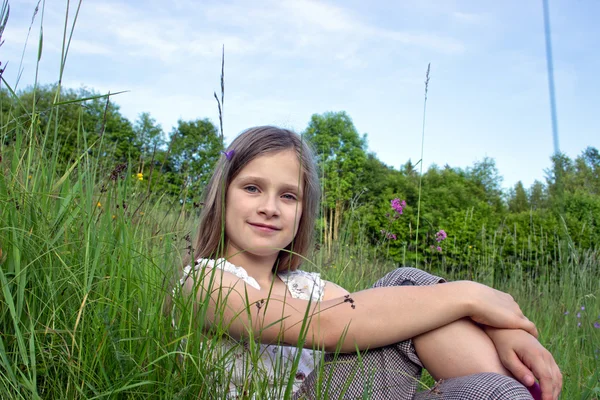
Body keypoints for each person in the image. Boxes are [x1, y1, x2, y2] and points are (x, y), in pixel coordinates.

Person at [172, 126, 561, 399]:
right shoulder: (205, 283)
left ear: (304, 211)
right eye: (253, 188)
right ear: (223, 195)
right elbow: (330, 326)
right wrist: (471, 296)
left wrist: (506, 330)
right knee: (405, 286)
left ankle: (521, 387)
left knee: (489, 391)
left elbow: (389, 313)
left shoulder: (309, 289)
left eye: (289, 196)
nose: (270, 207)